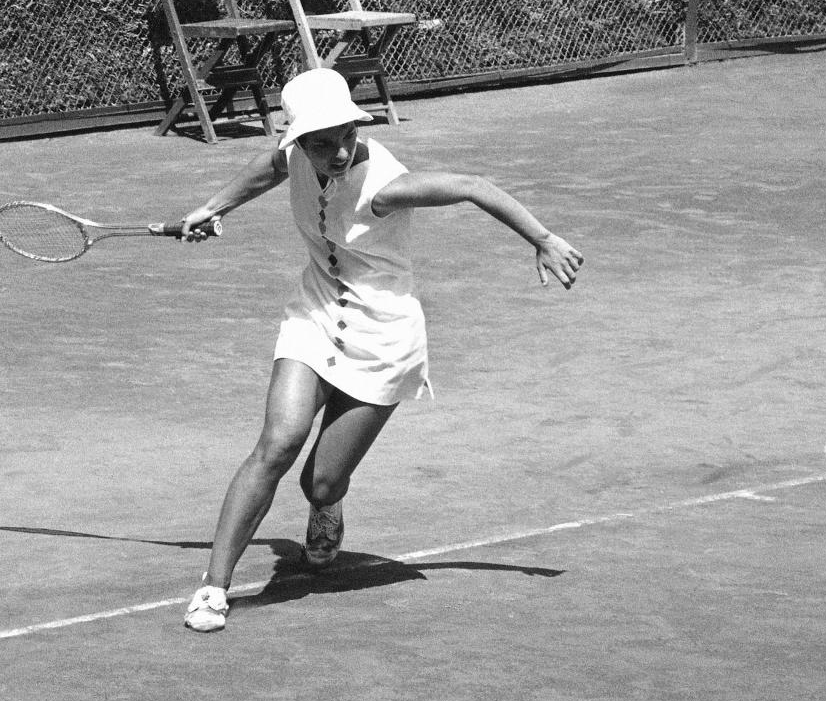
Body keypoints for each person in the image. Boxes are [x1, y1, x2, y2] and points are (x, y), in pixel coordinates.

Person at [181, 68, 584, 632]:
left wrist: (543, 239)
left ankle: (327, 506)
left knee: (318, 482)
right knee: (278, 443)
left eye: (346, 134)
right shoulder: (296, 155)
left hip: (385, 338)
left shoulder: (386, 187)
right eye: (321, 142)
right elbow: (271, 168)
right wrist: (213, 207)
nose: (338, 150)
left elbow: (471, 185)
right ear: (298, 139)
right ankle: (214, 588)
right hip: (315, 314)